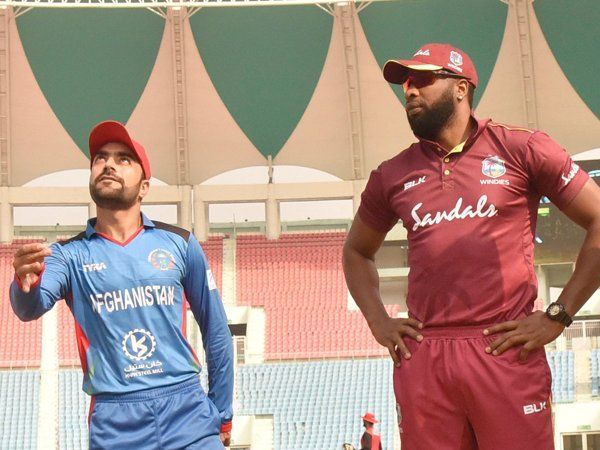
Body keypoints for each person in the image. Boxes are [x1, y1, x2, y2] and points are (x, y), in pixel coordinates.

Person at [342, 43, 600, 449]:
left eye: (423, 80)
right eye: (405, 84)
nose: (410, 91)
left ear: (461, 88)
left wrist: (559, 315)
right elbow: (356, 251)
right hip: (425, 356)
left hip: (504, 347)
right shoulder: (391, 175)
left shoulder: (522, 149)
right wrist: (378, 321)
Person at [10, 121, 234, 449]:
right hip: (116, 421)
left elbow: (216, 330)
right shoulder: (67, 255)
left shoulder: (180, 243)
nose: (109, 164)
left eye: (123, 159)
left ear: (144, 187)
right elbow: (29, 308)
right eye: (100, 158)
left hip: (187, 411)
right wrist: (23, 283)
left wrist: (223, 412)